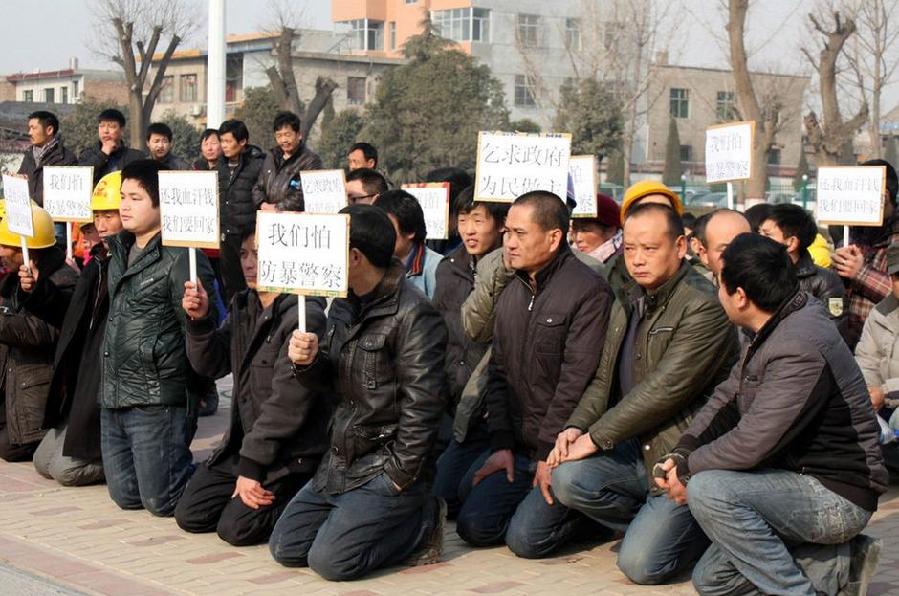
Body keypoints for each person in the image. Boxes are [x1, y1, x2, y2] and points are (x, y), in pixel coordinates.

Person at [657, 233, 887, 596]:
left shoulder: (799, 344)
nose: (717, 292)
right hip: (791, 478)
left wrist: (690, 470)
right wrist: (684, 450)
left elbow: (752, 442)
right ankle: (840, 561)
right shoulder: (772, 320)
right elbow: (728, 397)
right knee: (712, 581)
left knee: (709, 490)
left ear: (741, 296)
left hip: (837, 494)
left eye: (720, 284)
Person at [549, 203, 739, 584]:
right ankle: (655, 524)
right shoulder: (628, 297)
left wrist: (596, 437)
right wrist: (576, 426)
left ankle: (706, 524)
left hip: (684, 455)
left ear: (681, 246)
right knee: (567, 478)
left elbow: (665, 390)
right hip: (636, 447)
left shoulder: (704, 305)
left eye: (649, 249)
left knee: (641, 567)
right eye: (630, 249)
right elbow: (603, 379)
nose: (637, 260)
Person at [270, 205, 448, 580]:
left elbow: (424, 406)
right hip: (341, 460)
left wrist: (400, 475)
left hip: (386, 464)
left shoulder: (414, 314)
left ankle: (422, 524)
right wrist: (307, 362)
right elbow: (331, 381)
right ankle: (355, 520)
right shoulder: (344, 303)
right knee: (286, 547)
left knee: (331, 562)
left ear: (354, 256)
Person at [454, 191, 613, 559]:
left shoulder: (588, 293)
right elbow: (498, 373)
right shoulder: (512, 290)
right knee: (471, 522)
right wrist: (502, 445)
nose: (508, 242)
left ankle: (591, 516)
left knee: (525, 542)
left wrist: (547, 454)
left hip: (561, 449)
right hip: (520, 448)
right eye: (507, 232)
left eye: (520, 234)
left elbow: (576, 381)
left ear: (554, 238)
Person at [174, 231, 330, 546]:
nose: (250, 263)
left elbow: (287, 403)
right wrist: (200, 321)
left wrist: (252, 467)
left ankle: (303, 499)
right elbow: (212, 363)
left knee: (235, 529)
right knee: (191, 514)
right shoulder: (244, 304)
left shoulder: (303, 316)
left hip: (288, 454)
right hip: (244, 445)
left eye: (259, 254)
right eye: (244, 254)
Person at [101, 160, 219, 517]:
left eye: (135, 198)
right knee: (125, 495)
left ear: (161, 204)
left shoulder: (183, 256)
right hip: (115, 391)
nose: (124, 205)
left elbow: (203, 325)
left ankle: (225, 479)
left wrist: (199, 312)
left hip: (158, 395)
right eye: (123, 196)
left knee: (162, 501)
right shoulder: (118, 251)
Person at [24, 172, 123, 485]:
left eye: (108, 216)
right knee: (43, 462)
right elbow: (70, 315)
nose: (99, 227)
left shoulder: (126, 264)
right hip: (80, 375)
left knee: (65, 471)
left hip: (106, 381)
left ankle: (126, 461)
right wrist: (36, 291)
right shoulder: (95, 264)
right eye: (95, 218)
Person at [431, 188, 509, 516]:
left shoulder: (511, 271)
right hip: (453, 398)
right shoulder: (448, 268)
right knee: (443, 495)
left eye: (478, 220)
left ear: (500, 224)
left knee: (468, 502)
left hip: (491, 403)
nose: (469, 229)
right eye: (463, 220)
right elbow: (438, 330)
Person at [0, 205, 78, 462]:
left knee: (9, 448)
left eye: (6, 247)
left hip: (37, 388)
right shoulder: (11, 280)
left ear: (28, 249)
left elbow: (39, 331)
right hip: (13, 382)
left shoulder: (62, 279)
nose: (1, 253)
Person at [832, 159, 899, 347]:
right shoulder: (851, 232)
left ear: (884, 196)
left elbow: (894, 290)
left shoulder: (896, 237)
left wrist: (860, 273)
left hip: (885, 344)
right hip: (845, 340)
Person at [759, 203, 847, 333]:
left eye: (767, 235)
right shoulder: (755, 274)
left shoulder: (826, 282)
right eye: (759, 233)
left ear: (791, 242)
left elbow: (832, 331)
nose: (758, 239)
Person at [855, 242, 899, 474]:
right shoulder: (881, 312)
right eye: (898, 277)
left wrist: (886, 392)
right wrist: (870, 392)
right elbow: (866, 358)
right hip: (883, 398)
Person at [605, 180, 685, 299]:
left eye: (663, 209)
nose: (638, 261)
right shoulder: (614, 271)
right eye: (644, 210)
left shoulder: (699, 298)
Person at [217, 119, 265, 304]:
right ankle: (235, 320)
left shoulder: (258, 163)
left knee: (253, 282)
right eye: (222, 141)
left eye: (228, 141)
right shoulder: (220, 164)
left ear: (242, 141)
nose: (224, 146)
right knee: (230, 284)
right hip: (226, 234)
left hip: (248, 234)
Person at [376, 189, 442, 299]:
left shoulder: (436, 268)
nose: (379, 234)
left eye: (387, 226)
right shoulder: (373, 264)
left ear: (410, 230)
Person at [253, 111, 323, 213]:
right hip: (268, 218)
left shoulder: (310, 160)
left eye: (287, 135)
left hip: (294, 220)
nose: (284, 140)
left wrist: (277, 208)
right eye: (279, 136)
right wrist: (263, 204)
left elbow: (303, 194)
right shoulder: (270, 156)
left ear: (299, 135)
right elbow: (258, 186)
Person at [17, 110, 77, 206]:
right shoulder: (29, 155)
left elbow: (62, 195)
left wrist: (32, 203)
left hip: (51, 219)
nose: (29, 133)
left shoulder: (66, 158)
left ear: (49, 130)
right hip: (26, 214)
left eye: (34, 128)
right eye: (29, 128)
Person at [78, 109, 144, 184]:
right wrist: (103, 154)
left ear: (122, 130)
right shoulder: (87, 155)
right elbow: (81, 179)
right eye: (102, 126)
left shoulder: (136, 157)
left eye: (111, 127)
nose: (105, 131)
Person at [570, 193, 623, 265]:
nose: (578, 239)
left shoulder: (622, 263)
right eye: (575, 229)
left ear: (610, 230)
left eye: (585, 230)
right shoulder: (568, 259)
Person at [698, 209, 751, 278]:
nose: (737, 256)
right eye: (726, 249)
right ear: (704, 254)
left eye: (744, 247)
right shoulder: (695, 287)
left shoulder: (767, 284)